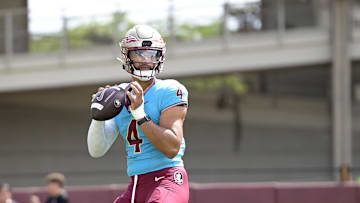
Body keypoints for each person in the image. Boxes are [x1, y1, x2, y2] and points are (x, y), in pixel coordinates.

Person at [87, 25, 189, 203]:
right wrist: (98, 117)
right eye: (138, 54)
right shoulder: (118, 95)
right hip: (136, 185)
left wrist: (140, 114)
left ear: (160, 57)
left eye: (151, 54)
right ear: (127, 56)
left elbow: (172, 148)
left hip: (167, 180)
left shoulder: (170, 90)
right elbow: (96, 151)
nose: (145, 60)